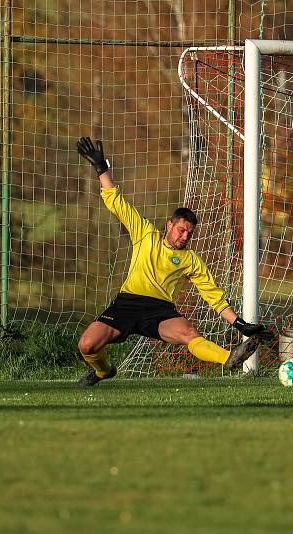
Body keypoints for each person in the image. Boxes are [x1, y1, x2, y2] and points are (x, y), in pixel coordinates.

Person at [75, 136, 266, 386]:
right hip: (127, 303)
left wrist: (239, 324)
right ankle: (102, 371)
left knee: (188, 333)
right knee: (87, 344)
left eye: (189, 233)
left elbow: (213, 295)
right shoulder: (145, 234)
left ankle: (229, 359)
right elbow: (117, 203)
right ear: (169, 225)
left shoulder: (191, 260)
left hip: (160, 310)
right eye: (181, 230)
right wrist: (101, 167)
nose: (184, 236)